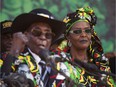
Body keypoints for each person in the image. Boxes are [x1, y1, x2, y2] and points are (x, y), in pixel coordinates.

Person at [48, 6, 115, 87]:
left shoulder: (102, 65)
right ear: (68, 37)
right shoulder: (60, 63)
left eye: (87, 31)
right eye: (77, 31)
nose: (83, 35)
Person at [1, 8, 66, 87]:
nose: (43, 37)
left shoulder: (61, 63)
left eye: (48, 34)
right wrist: (14, 52)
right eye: (37, 32)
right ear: (25, 35)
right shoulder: (8, 58)